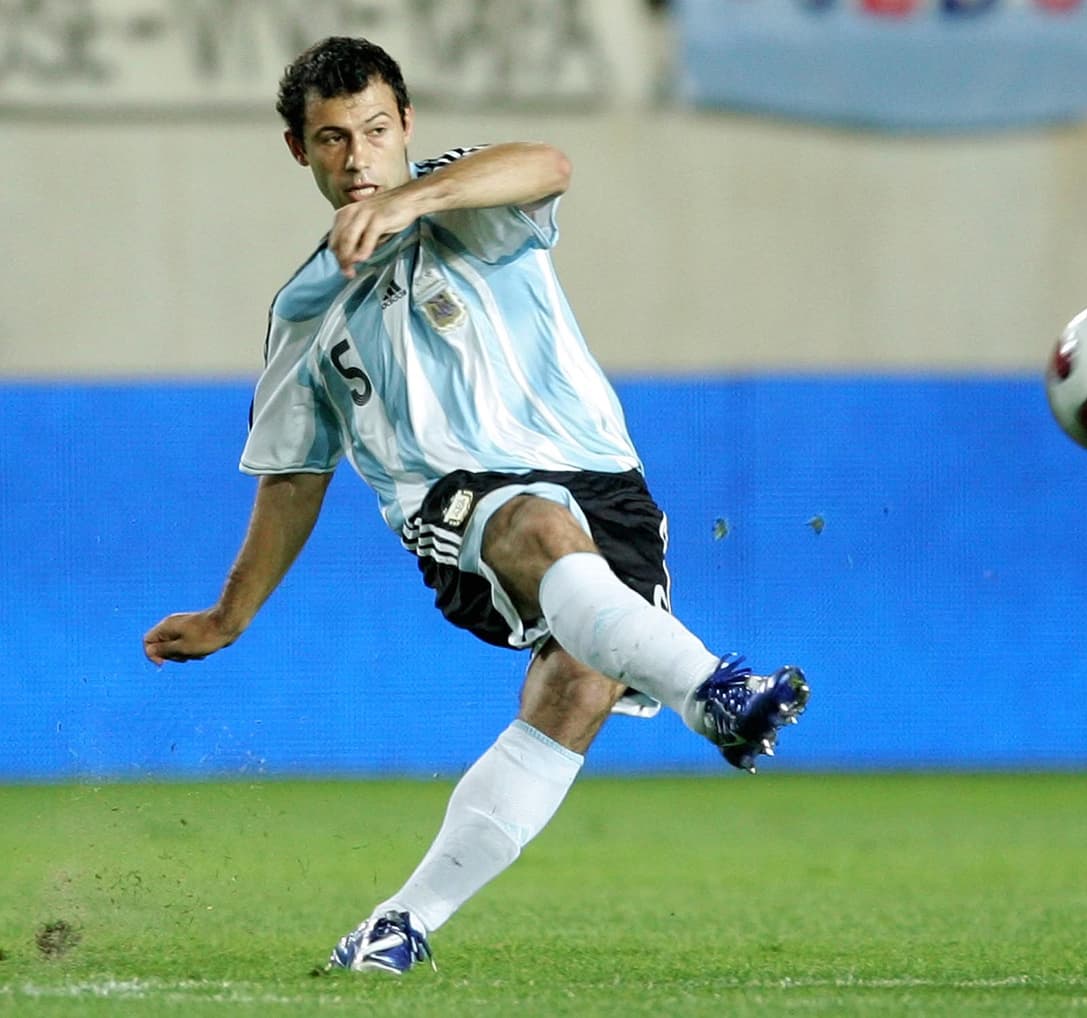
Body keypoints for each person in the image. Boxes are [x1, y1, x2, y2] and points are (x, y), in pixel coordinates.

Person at [143, 36, 808, 975]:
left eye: (376, 129)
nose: (360, 155)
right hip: (453, 508)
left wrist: (415, 197)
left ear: (407, 125)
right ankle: (713, 689)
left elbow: (550, 164)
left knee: (578, 684)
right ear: (301, 152)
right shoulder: (304, 312)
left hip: (603, 484)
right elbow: (294, 477)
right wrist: (230, 611)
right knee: (534, 527)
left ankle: (399, 923)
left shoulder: (467, 198)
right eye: (333, 139)